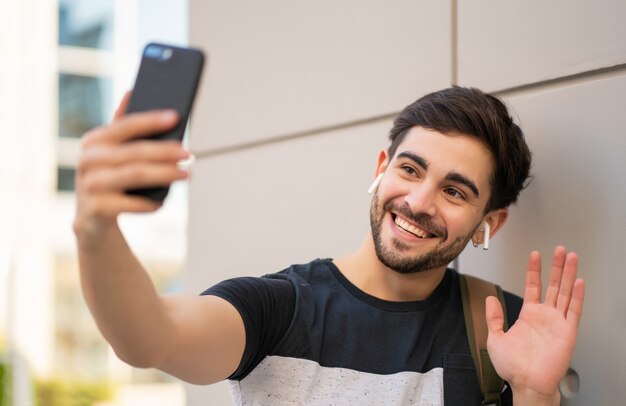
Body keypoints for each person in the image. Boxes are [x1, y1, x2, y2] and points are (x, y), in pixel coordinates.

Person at [74, 86, 585, 405]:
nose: (419, 201)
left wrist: (535, 394)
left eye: (454, 191)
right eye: (410, 170)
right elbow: (149, 339)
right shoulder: (278, 308)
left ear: (487, 221)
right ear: (381, 169)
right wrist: (96, 230)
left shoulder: (504, 332)